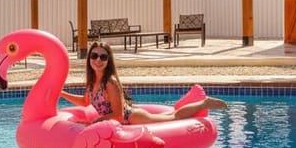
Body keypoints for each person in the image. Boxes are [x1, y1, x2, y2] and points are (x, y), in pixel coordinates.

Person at [59, 41, 226, 124]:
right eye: (94, 56)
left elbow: (117, 115)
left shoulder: (109, 82)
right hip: (127, 117)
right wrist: (61, 92)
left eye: (103, 57)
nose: (98, 60)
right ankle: (196, 103)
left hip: (132, 118)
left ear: (108, 60)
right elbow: (85, 101)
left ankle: (203, 103)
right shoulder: (92, 81)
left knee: (173, 117)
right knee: (168, 115)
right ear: (89, 59)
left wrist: (92, 123)